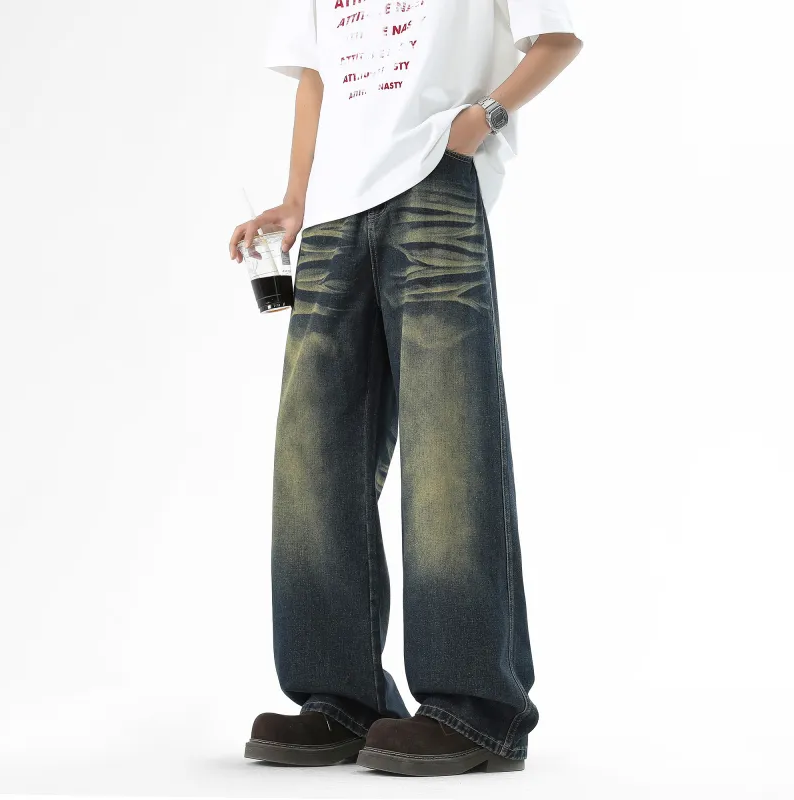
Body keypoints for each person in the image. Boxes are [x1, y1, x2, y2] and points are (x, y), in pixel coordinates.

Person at [229, 0, 582, 778]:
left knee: (448, 440)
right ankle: (341, 698)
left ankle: (475, 707)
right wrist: (296, 199)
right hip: (331, 214)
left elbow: (557, 39)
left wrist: (484, 119)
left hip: (434, 181)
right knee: (313, 455)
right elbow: (316, 78)